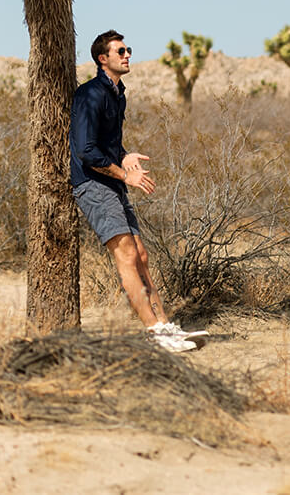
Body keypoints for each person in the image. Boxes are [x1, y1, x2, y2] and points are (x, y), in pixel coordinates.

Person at [70, 30, 207, 353]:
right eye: (120, 51)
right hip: (91, 183)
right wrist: (124, 175)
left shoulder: (118, 94)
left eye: (128, 49)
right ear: (103, 59)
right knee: (127, 256)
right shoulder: (90, 94)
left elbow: (107, 146)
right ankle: (155, 333)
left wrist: (124, 156)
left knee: (142, 255)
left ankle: (165, 326)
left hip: (112, 179)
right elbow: (87, 152)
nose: (127, 54)